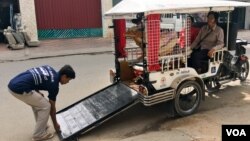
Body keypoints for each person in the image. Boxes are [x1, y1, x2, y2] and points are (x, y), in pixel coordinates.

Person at [8, 65, 75, 141]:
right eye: (68, 80)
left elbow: (34, 76)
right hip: (19, 88)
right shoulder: (54, 86)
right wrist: (55, 124)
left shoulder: (49, 68)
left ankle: (42, 126)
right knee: (46, 106)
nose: (68, 82)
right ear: (64, 76)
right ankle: (38, 135)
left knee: (39, 103)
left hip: (13, 83)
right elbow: (52, 109)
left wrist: (37, 92)